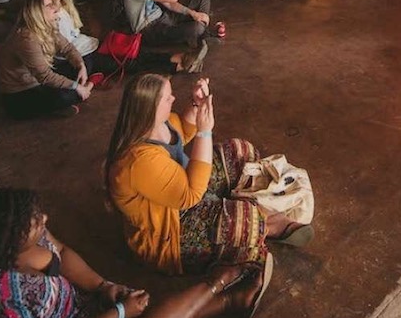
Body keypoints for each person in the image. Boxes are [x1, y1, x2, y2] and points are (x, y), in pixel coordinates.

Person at [0, 187, 269, 318]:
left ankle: (232, 299)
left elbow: (63, 253)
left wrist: (105, 287)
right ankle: (221, 287)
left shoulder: (18, 237)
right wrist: (117, 315)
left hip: (73, 312)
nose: (44, 219)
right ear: (12, 243)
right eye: (36, 222)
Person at [108, 73, 308, 277]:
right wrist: (205, 132)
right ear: (150, 108)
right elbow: (190, 195)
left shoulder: (159, 124)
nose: (174, 99)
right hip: (172, 230)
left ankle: (239, 211)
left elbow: (184, 131)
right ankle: (265, 225)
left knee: (240, 152)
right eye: (168, 97)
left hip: (187, 187)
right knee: (246, 220)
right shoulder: (138, 162)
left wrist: (197, 103)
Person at [0, 0, 93, 120]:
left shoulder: (46, 27)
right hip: (20, 93)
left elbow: (67, 48)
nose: (55, 8)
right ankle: (76, 94)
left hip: (40, 80)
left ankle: (77, 93)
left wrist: (81, 66)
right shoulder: (26, 38)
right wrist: (77, 87)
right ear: (37, 13)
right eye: (49, 5)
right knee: (66, 96)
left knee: (85, 63)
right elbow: (44, 76)